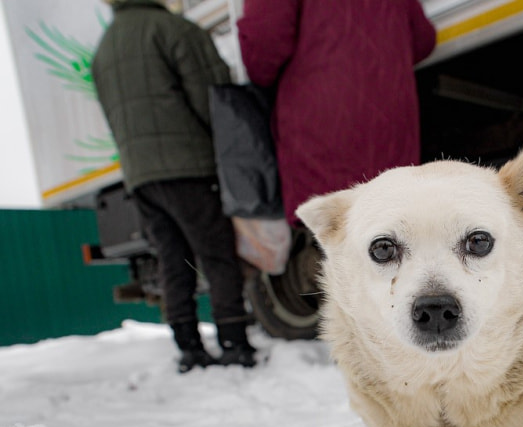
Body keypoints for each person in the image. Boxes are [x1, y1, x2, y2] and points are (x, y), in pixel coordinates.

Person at [92, 0, 256, 373]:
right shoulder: (172, 30)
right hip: (189, 165)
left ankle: (189, 348)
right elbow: (213, 97)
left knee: (172, 259)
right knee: (216, 254)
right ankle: (234, 344)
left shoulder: (105, 48)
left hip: (140, 176)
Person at [237, 0, 437, 227]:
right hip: (388, 122)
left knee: (330, 234)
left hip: (322, 125)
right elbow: (423, 40)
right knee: (394, 225)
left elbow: (262, 53)